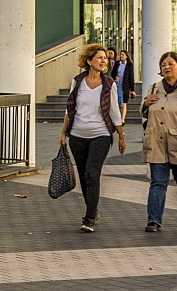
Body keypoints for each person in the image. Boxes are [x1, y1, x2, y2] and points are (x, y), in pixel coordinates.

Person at [59, 43, 126, 232]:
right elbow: (70, 108)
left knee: (91, 173)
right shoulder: (77, 82)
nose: (104, 61)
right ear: (89, 61)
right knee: (83, 175)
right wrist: (63, 132)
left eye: (105, 58)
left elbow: (114, 111)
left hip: (101, 134)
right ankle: (93, 209)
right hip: (78, 134)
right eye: (99, 57)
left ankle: (89, 217)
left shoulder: (109, 84)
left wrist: (121, 135)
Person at [141, 52, 177, 233]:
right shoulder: (153, 88)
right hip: (156, 142)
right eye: (164, 64)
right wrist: (144, 104)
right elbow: (145, 113)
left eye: (170, 64)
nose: (167, 67)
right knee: (158, 182)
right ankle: (154, 220)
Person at [111, 49, 136, 124]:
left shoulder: (129, 64)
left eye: (123, 55)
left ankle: (122, 119)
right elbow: (113, 73)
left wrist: (132, 89)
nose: (121, 56)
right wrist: (115, 77)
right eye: (120, 54)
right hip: (118, 83)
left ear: (126, 56)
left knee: (124, 101)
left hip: (125, 84)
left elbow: (131, 76)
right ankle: (118, 118)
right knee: (118, 101)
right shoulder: (117, 63)